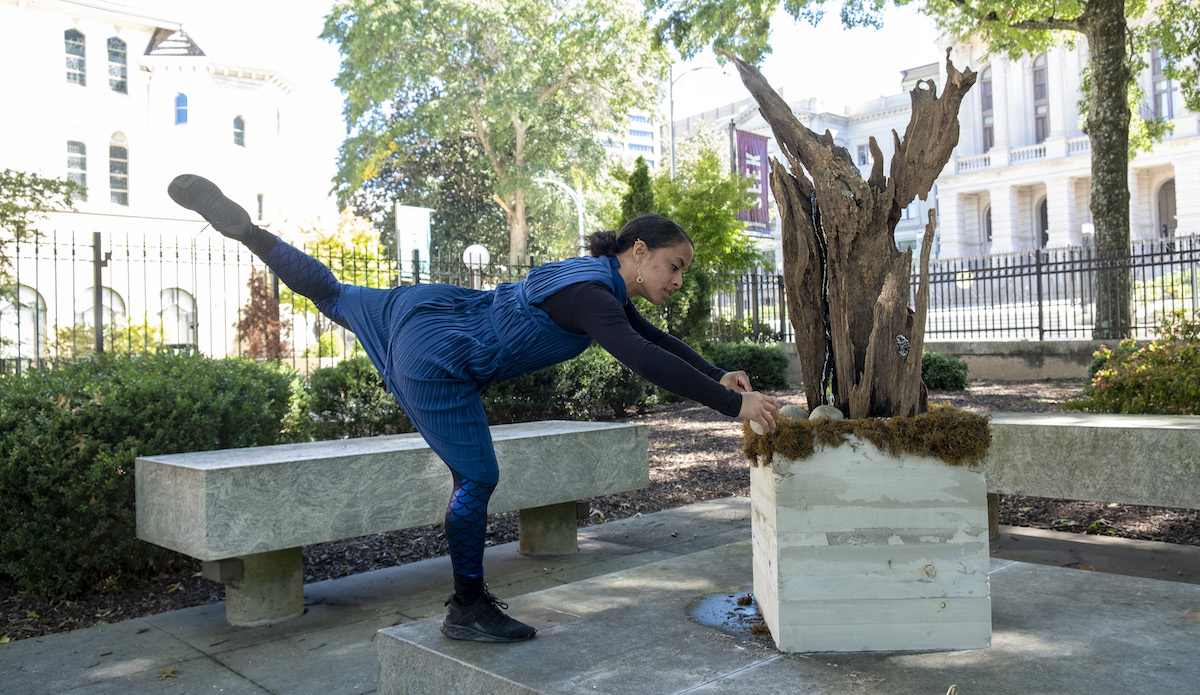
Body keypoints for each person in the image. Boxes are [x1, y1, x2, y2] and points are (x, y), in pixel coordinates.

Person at [167, 174, 780, 643]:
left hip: (426, 308)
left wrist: (716, 375)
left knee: (329, 290)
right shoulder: (596, 297)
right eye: (674, 266)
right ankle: (467, 608)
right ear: (640, 251)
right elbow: (644, 361)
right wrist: (734, 404)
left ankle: (247, 231)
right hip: (443, 356)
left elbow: (659, 342)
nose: (677, 280)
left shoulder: (595, 281)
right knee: (477, 477)